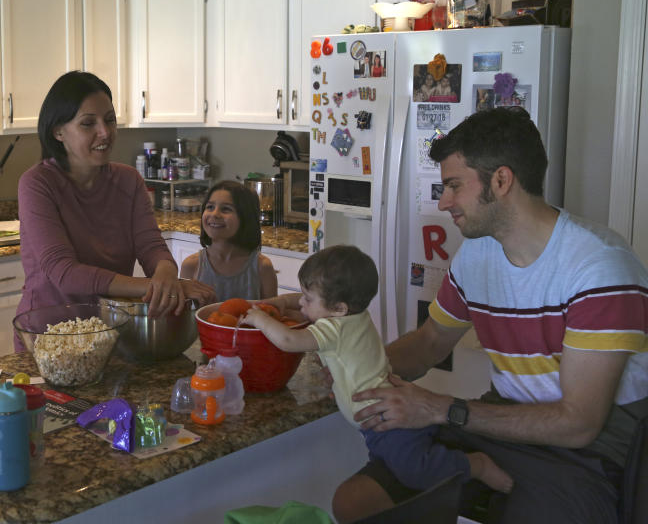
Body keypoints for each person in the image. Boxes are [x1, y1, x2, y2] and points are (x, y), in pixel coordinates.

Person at [329, 107, 648, 524]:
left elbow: (579, 423)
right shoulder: (478, 254)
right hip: (499, 422)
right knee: (356, 501)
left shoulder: (598, 267)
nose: (443, 202)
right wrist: (348, 362)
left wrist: (439, 408)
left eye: (453, 186)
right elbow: (428, 344)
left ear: (501, 180)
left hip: (588, 450)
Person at [239, 245, 513, 498]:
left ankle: (475, 466)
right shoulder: (351, 317)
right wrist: (285, 303)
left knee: (417, 472)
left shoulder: (332, 328)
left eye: (307, 299)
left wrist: (260, 319)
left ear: (338, 308)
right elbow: (312, 307)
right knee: (393, 469)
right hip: (379, 419)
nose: (301, 304)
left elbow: (288, 341)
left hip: (388, 420)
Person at [16, 71, 215, 349]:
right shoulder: (37, 184)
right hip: (49, 338)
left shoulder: (128, 180)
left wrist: (167, 274)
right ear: (58, 131)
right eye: (88, 123)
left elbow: (150, 246)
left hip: (109, 334)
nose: (105, 132)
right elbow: (65, 273)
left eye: (109, 120)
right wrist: (155, 286)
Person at [179, 180, 278, 302]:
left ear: (245, 217)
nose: (215, 214)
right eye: (210, 207)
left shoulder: (262, 267)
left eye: (226, 209)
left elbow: (271, 313)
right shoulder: (192, 265)